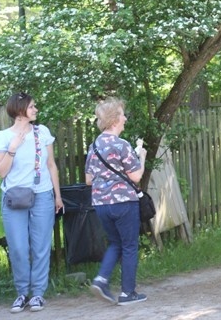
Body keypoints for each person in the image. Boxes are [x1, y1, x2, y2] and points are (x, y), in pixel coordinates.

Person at [0, 92, 64, 313]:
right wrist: (13, 146)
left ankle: (38, 294)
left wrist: (57, 196)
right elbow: (1, 172)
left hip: (42, 195)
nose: (35, 110)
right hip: (14, 197)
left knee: (41, 246)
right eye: (32, 107)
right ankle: (22, 293)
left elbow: (51, 165)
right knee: (19, 248)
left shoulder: (43, 132)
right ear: (19, 110)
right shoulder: (1, 137)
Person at [85, 97, 148, 305]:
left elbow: (88, 179)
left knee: (115, 243)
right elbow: (136, 176)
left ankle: (101, 280)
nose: (125, 118)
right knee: (129, 245)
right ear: (114, 121)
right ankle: (127, 293)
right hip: (123, 203)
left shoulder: (94, 146)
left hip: (101, 204)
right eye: (122, 115)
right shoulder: (122, 145)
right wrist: (142, 157)